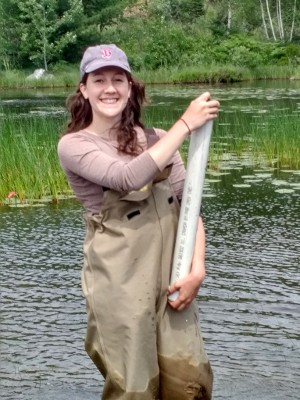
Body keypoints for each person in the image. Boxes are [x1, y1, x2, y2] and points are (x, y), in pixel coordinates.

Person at [58, 44, 219, 400]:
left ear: (131, 87)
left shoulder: (158, 139)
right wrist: (186, 124)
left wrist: (197, 270)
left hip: (173, 281)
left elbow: (189, 207)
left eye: (118, 79)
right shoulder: (74, 146)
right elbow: (127, 177)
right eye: (98, 80)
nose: (109, 88)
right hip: (120, 287)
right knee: (134, 388)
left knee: (189, 383)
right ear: (83, 89)